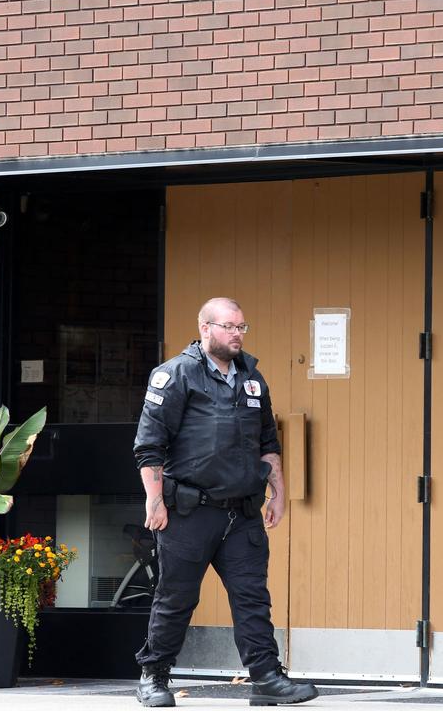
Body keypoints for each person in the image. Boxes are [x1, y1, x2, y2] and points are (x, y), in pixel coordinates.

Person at [132, 297, 318, 708]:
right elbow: (149, 447)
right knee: (176, 597)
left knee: (252, 598)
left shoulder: (252, 378)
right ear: (205, 328)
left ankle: (267, 678)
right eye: (229, 326)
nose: (237, 334)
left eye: (242, 327)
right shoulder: (176, 375)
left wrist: (279, 493)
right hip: (189, 513)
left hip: (242, 513)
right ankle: (154, 677)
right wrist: (155, 501)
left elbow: (268, 442)